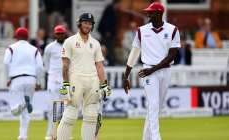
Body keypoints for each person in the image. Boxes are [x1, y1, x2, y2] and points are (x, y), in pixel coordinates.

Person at [122, 2, 180, 140]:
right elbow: (134, 54)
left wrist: (152, 70)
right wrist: (126, 76)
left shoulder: (172, 30)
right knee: (153, 106)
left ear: (159, 13)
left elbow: (172, 55)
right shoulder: (142, 31)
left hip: (164, 71)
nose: (148, 14)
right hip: (147, 71)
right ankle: (156, 138)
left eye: (151, 12)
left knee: (156, 108)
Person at [57, 13, 111, 140]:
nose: (87, 25)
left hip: (93, 81)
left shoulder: (96, 43)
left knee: (92, 116)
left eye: (90, 23)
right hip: (76, 79)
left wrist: (104, 85)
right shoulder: (69, 41)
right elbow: (65, 65)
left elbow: (99, 66)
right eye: (85, 22)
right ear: (79, 23)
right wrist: (65, 84)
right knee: (70, 114)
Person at [3, 27, 43, 140]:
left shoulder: (11, 48)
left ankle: (22, 105)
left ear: (16, 37)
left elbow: (6, 63)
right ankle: (23, 136)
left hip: (16, 79)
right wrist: (39, 82)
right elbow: (40, 66)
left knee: (15, 110)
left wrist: (7, 78)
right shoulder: (34, 49)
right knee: (25, 113)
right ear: (27, 37)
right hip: (31, 79)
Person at [43, 25, 67, 140]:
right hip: (53, 81)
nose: (60, 35)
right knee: (52, 108)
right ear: (54, 34)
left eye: (61, 33)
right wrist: (52, 75)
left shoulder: (69, 46)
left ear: (64, 34)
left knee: (64, 108)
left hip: (65, 81)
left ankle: (62, 134)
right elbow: (46, 63)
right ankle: (50, 134)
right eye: (58, 33)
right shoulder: (49, 47)